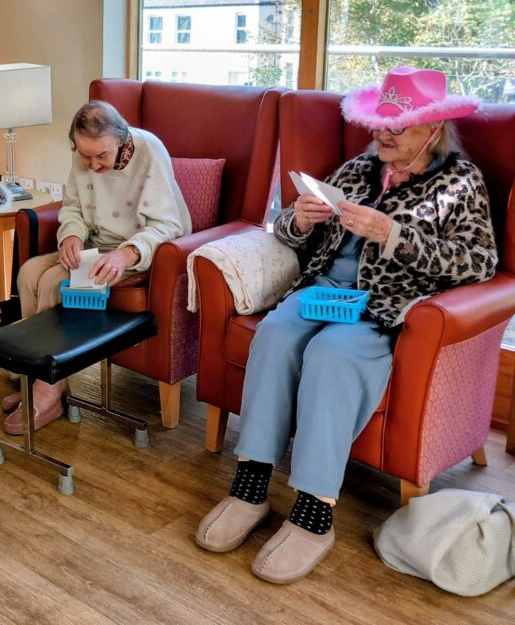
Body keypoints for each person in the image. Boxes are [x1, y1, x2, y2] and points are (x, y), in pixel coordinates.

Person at [194, 67, 496, 584]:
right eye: (380, 121)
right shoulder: (359, 167)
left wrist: (391, 232)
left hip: (386, 305)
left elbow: (479, 262)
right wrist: (301, 218)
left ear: (430, 129)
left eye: (396, 126)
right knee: (275, 334)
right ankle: (251, 483)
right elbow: (287, 231)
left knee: (332, 356)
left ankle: (315, 512)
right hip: (320, 292)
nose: (381, 132)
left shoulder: (459, 183)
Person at [3, 100, 192, 434]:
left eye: (101, 156)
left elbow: (167, 225)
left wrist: (125, 254)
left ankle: (49, 392)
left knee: (53, 283)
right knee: (30, 272)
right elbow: (72, 206)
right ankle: (38, 376)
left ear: (121, 139)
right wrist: (70, 237)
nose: (92, 165)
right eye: (84, 156)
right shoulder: (85, 153)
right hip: (94, 244)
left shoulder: (150, 151)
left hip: (139, 251)